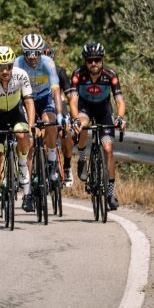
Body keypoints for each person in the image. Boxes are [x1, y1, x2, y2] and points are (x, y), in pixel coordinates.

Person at [68, 42, 127, 211]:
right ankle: (82, 158)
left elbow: (120, 101)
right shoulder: (78, 74)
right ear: (85, 61)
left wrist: (120, 117)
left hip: (103, 109)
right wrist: (75, 119)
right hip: (85, 108)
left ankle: (110, 193)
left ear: (102, 60)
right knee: (83, 125)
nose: (93, 63)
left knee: (108, 148)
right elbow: (73, 101)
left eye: (97, 60)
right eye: (90, 60)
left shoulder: (111, 75)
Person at [0, 45, 35, 217]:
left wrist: (31, 125)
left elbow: (29, 102)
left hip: (15, 114)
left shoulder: (21, 75)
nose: (5, 71)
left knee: (22, 135)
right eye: (1, 67)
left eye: (8, 66)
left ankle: (24, 173)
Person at [15, 33, 69, 187]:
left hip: (45, 98)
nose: (32, 57)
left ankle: (52, 161)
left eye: (36, 53)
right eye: (28, 53)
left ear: (41, 51)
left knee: (50, 122)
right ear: (23, 52)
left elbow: (56, 90)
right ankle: (27, 184)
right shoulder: (17, 63)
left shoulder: (48, 62)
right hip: (26, 100)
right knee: (29, 141)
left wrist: (59, 114)